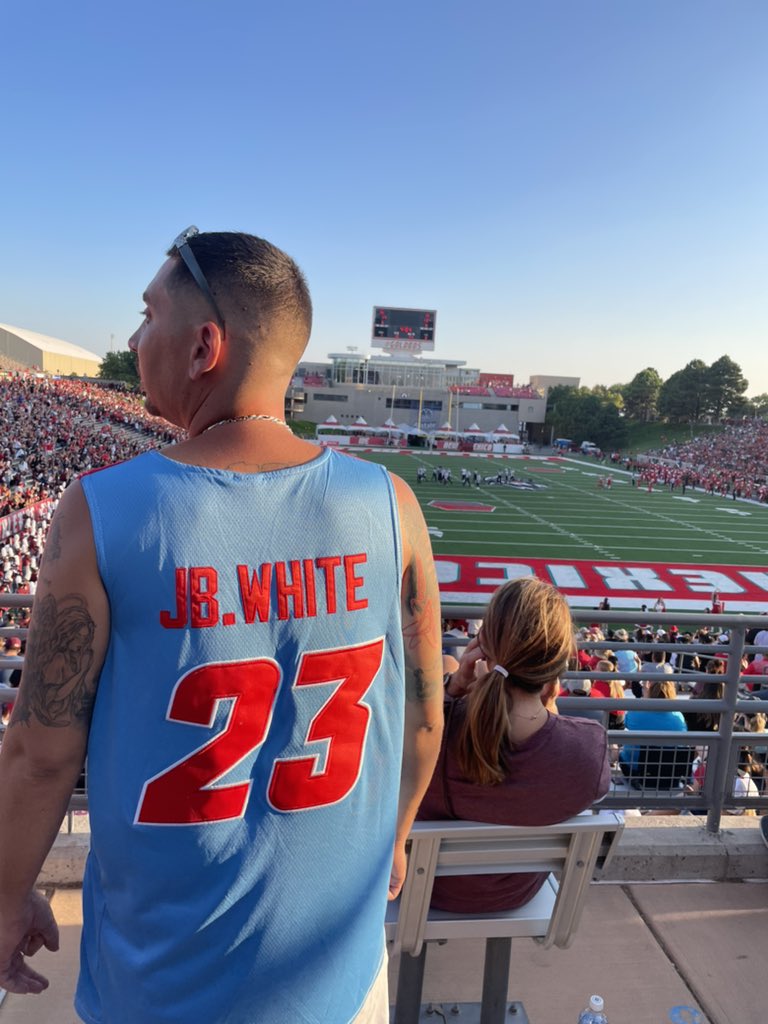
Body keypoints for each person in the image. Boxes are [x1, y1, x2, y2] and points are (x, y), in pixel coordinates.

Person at [0, 229, 445, 1024]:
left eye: (148, 315)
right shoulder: (393, 506)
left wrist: (3, 899)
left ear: (205, 344)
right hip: (337, 981)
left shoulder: (103, 511)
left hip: (161, 984)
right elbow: (422, 722)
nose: (136, 339)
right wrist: (398, 835)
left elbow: (40, 754)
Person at [417, 576, 610, 913]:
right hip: (514, 896)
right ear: (558, 664)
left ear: (483, 645)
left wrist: (454, 688)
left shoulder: (431, 734)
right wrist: (549, 704)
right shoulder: (587, 749)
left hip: (425, 890)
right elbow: (547, 747)